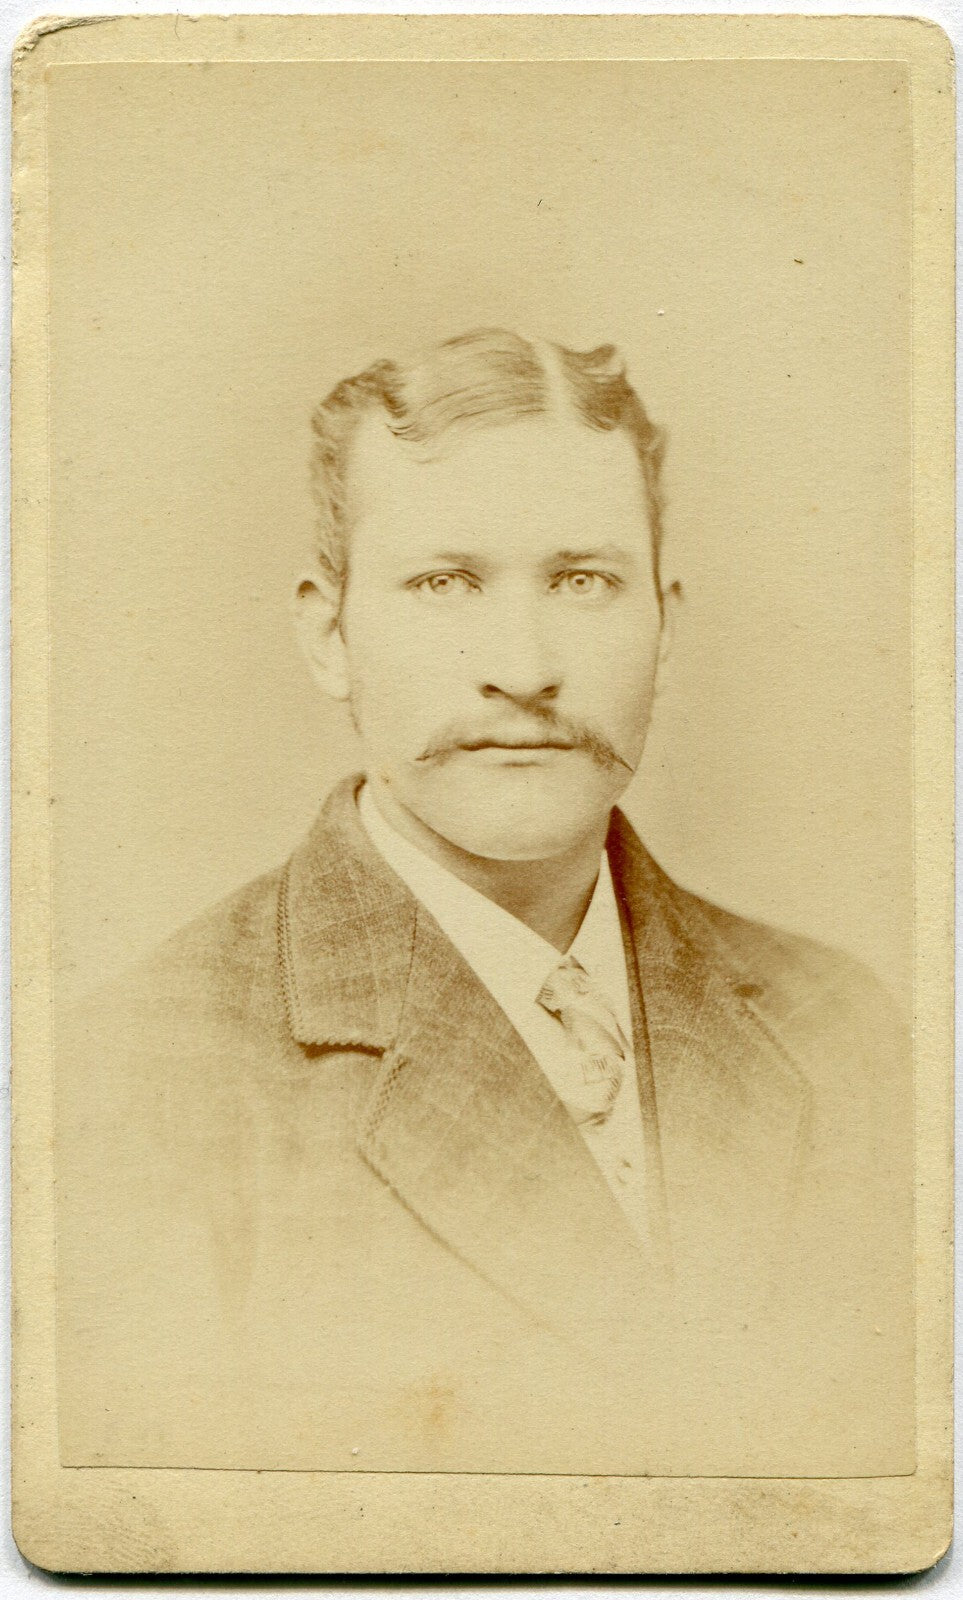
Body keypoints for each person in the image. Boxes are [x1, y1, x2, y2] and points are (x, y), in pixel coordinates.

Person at [57, 329, 914, 1477]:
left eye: (583, 580)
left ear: (665, 626)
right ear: (330, 635)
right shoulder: (137, 1077)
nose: (524, 663)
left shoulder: (843, 1030)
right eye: (445, 582)